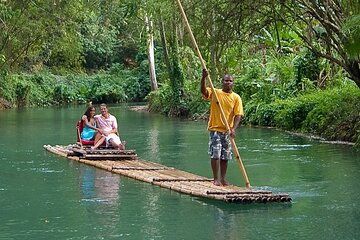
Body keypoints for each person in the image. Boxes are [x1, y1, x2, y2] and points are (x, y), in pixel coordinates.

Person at [201, 69, 244, 186]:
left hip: (227, 131)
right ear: (222, 82)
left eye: (230, 81)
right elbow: (204, 92)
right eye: (226, 80)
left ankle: (223, 179)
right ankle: (216, 179)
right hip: (215, 129)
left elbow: (238, 115)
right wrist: (203, 78)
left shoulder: (236, 98)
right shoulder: (216, 93)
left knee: (225, 156)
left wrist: (233, 128)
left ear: (233, 83)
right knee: (215, 154)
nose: (228, 83)